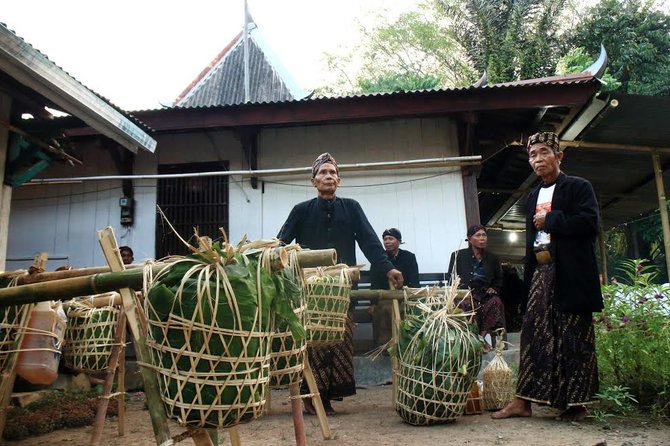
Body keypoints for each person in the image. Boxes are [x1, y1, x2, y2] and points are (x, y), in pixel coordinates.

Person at [277, 152, 404, 415]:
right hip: (309, 287)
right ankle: (311, 396)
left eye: (333, 173)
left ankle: (327, 396)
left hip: (342, 287)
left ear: (339, 180)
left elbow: (369, 241)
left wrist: (388, 268)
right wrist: (269, 264)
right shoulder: (301, 211)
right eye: (323, 173)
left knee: (340, 339)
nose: (328, 177)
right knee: (313, 341)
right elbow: (281, 243)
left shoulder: (352, 207)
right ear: (313, 181)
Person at [492, 131, 603, 422]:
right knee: (533, 335)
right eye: (532, 155)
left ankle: (577, 405)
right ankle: (523, 401)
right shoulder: (531, 197)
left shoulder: (579, 187)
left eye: (544, 152)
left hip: (571, 275)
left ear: (559, 156)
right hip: (541, 272)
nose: (538, 159)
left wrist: (551, 219)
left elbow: (590, 224)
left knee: (573, 337)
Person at [447, 224, 504, 351]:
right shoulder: (458, 255)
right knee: (466, 305)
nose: (482, 238)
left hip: (484, 294)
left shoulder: (493, 258)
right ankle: (475, 340)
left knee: (495, 303)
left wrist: (494, 288)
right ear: (470, 238)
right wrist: (458, 293)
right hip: (466, 295)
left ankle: (480, 338)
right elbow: (451, 278)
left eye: (484, 235)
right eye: (478, 235)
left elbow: (499, 278)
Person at [369, 228, 420, 347]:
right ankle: (385, 347)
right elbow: (374, 283)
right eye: (385, 239)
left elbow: (414, 281)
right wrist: (372, 303)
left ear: (399, 241)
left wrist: (412, 298)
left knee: (405, 310)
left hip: (404, 296)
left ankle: (406, 346)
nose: (387, 241)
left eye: (390, 238)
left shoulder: (409, 257)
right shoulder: (379, 260)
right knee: (383, 309)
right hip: (384, 297)